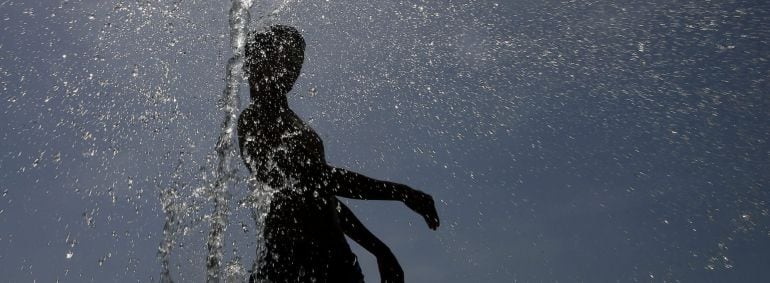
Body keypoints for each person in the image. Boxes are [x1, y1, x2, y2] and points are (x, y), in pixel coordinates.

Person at [237, 25, 440, 283]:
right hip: (292, 259)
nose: (294, 70)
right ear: (258, 62)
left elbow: (322, 197)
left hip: (335, 260)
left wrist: (378, 248)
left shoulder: (293, 123)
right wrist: (400, 192)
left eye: (297, 62)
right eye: (285, 58)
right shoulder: (254, 121)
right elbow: (313, 179)